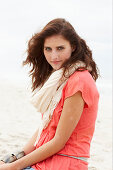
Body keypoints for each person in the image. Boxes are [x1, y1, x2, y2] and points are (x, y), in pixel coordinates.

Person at [0, 18, 99, 170]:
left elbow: (59, 141)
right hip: (44, 161)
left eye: (60, 48)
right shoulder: (60, 79)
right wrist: (15, 157)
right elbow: (45, 128)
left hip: (64, 164)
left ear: (72, 47)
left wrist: (13, 167)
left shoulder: (79, 80)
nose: (54, 56)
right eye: (48, 49)